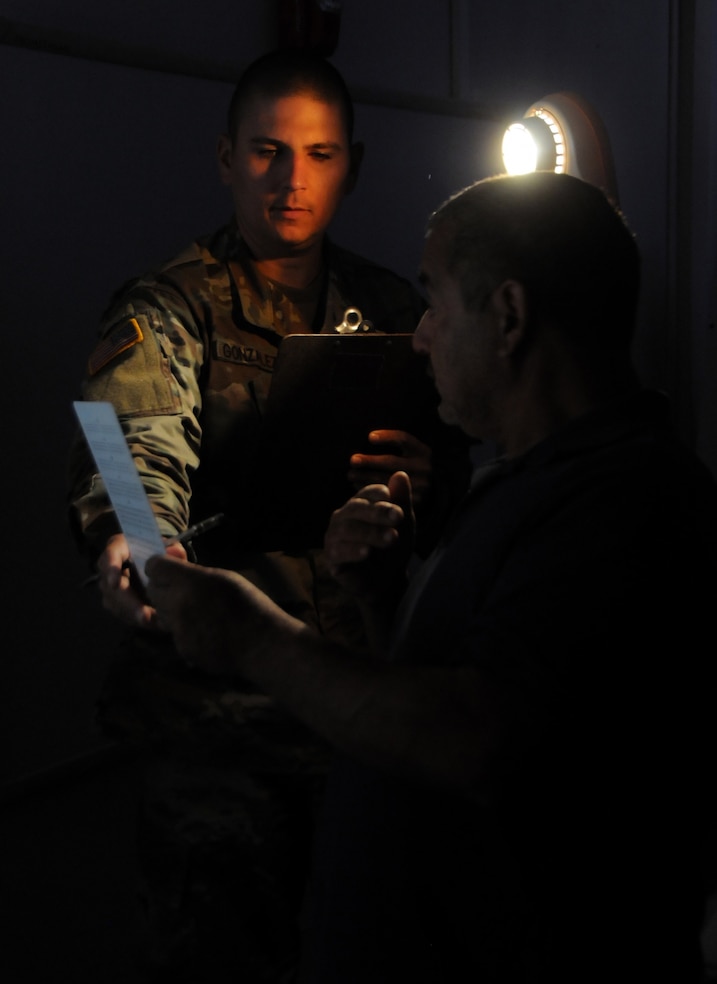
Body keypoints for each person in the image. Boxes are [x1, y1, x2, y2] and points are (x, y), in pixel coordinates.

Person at [145, 171, 717, 984]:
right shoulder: (526, 483)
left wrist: (252, 638)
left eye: (437, 304)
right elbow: (488, 700)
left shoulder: (628, 500)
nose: (418, 338)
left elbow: (477, 739)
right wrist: (384, 605)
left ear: (509, 317)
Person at [68, 50, 468, 982]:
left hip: (361, 699)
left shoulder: (399, 311)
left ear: (352, 165)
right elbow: (129, 446)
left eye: (319, 153)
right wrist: (134, 536)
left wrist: (424, 487)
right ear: (225, 158)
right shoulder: (172, 305)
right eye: (266, 152)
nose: (292, 181)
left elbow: (459, 457)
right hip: (218, 720)